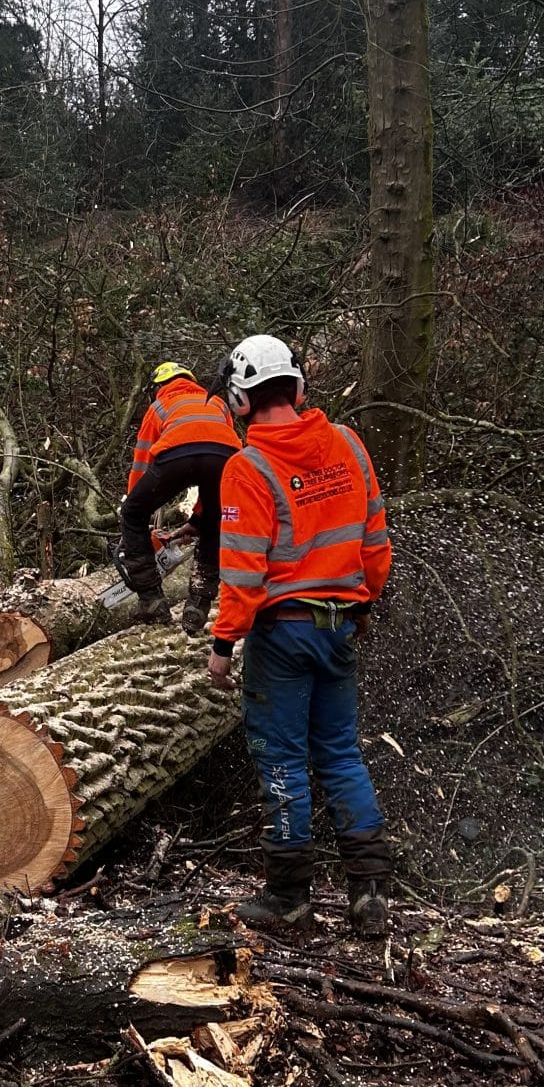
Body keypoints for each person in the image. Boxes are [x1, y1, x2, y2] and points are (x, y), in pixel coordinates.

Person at [205, 334, 394, 936]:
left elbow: (243, 571)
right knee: (340, 752)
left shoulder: (248, 467)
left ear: (239, 400)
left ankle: (289, 895)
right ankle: (369, 891)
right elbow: (375, 544)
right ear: (297, 386)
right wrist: (363, 605)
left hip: (282, 633)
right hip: (340, 625)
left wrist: (223, 644)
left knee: (282, 758)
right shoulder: (349, 445)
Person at [119, 360, 240, 634]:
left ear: (158, 386)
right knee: (215, 521)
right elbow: (214, 450)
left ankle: (151, 600)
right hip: (224, 459)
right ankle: (199, 603)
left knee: (133, 514)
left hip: (176, 456)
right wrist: (199, 519)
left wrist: (135, 505)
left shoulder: (159, 406)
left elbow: (142, 461)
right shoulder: (218, 403)